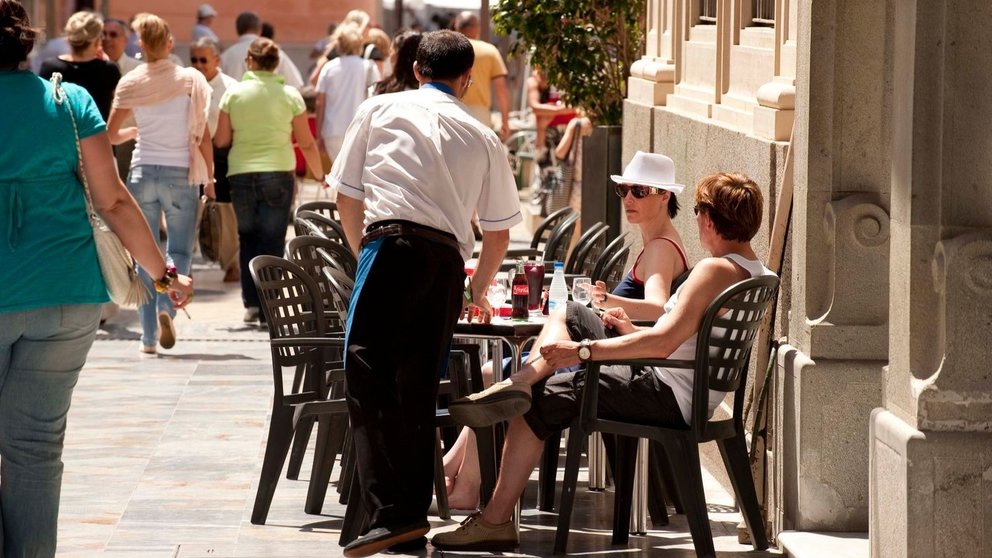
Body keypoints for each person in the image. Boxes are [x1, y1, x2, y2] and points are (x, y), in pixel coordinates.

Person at [433, 171, 776, 550]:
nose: (695, 220)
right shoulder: (759, 273)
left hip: (664, 392)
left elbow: (663, 342)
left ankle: (495, 518)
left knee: (541, 399)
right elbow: (680, 341)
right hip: (675, 383)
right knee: (574, 312)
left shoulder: (713, 269)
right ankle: (520, 381)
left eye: (697, 212)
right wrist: (628, 330)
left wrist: (581, 352)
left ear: (710, 219)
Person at [0, 2, 193, 555]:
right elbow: (111, 199)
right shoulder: (67, 101)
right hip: (66, 293)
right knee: (35, 447)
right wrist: (163, 273)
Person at [328, 30, 521, 557]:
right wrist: (475, 287)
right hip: (444, 264)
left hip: (388, 245)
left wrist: (361, 252)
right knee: (417, 385)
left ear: (416, 69)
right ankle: (406, 515)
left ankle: (389, 516)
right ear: (467, 79)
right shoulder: (483, 135)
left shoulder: (379, 109)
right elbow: (499, 231)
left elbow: (346, 194)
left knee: (367, 376)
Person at [442, 151, 690, 509]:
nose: (629, 199)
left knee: (495, 372)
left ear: (664, 195)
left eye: (640, 191)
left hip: (616, 362)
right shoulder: (657, 243)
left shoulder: (661, 249)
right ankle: (456, 472)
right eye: (624, 191)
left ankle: (459, 479)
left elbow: (657, 308)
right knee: (501, 373)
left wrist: (602, 302)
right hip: (615, 358)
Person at [106, 12, 213, 355]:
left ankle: (148, 337)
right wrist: (209, 180)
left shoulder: (131, 82)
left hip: (142, 172)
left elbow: (109, 134)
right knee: (179, 250)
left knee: (143, 254)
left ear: (139, 45)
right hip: (181, 173)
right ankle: (168, 308)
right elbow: (203, 137)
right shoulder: (189, 80)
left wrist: (133, 132)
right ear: (168, 43)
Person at [214, 37, 323, 326]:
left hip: (240, 172)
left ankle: (250, 303)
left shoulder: (233, 94)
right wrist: (320, 175)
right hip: (278, 171)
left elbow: (222, 139)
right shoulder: (289, 94)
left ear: (249, 61)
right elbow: (307, 143)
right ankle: (270, 308)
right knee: (273, 241)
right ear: (276, 64)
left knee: (247, 237)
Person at [190, 36, 240, 283]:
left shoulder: (231, 87)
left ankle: (231, 263)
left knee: (224, 212)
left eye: (203, 60)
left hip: (221, 157)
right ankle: (184, 265)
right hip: (190, 155)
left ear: (217, 60)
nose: (198, 64)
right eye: (194, 60)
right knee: (190, 211)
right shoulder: (185, 85)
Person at [38, 11, 121, 121]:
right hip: (96, 136)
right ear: (97, 41)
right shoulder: (109, 70)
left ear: (68, 39)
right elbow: (119, 106)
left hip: (61, 136)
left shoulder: (49, 67)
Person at [315, 26, 379, 163]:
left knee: (338, 177)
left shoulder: (329, 68)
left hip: (332, 131)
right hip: (360, 130)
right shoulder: (369, 67)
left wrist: (318, 134)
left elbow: (320, 103)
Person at [453, 11, 510, 140]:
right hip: (480, 114)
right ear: (477, 28)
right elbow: (501, 89)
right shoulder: (490, 51)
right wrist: (505, 121)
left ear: (457, 27)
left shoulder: (449, 49)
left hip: (451, 107)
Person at [220, 11, 303, 87]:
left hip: (236, 101)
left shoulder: (226, 56)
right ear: (260, 30)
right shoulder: (275, 52)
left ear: (238, 30)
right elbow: (295, 83)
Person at [102, 17, 141, 180]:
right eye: (103, 34)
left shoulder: (137, 69)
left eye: (113, 34)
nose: (107, 39)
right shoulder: (94, 67)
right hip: (99, 140)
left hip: (127, 141)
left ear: (125, 40)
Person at [526, 67, 575, 162]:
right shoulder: (534, 80)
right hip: (547, 135)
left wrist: (555, 110)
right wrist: (560, 109)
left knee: (567, 170)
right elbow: (535, 107)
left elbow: (576, 108)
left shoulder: (569, 74)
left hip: (569, 129)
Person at [371, 30, 421, 95]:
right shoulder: (431, 94)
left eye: (391, 50)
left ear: (396, 56)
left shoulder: (379, 90)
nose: (389, 54)